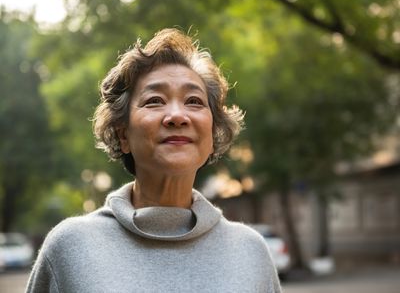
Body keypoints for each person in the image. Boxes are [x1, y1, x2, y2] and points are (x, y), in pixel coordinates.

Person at [26, 28, 282, 293]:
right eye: (154, 101)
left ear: (212, 134)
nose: (177, 116)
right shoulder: (70, 248)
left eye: (193, 101)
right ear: (122, 134)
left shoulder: (250, 252)